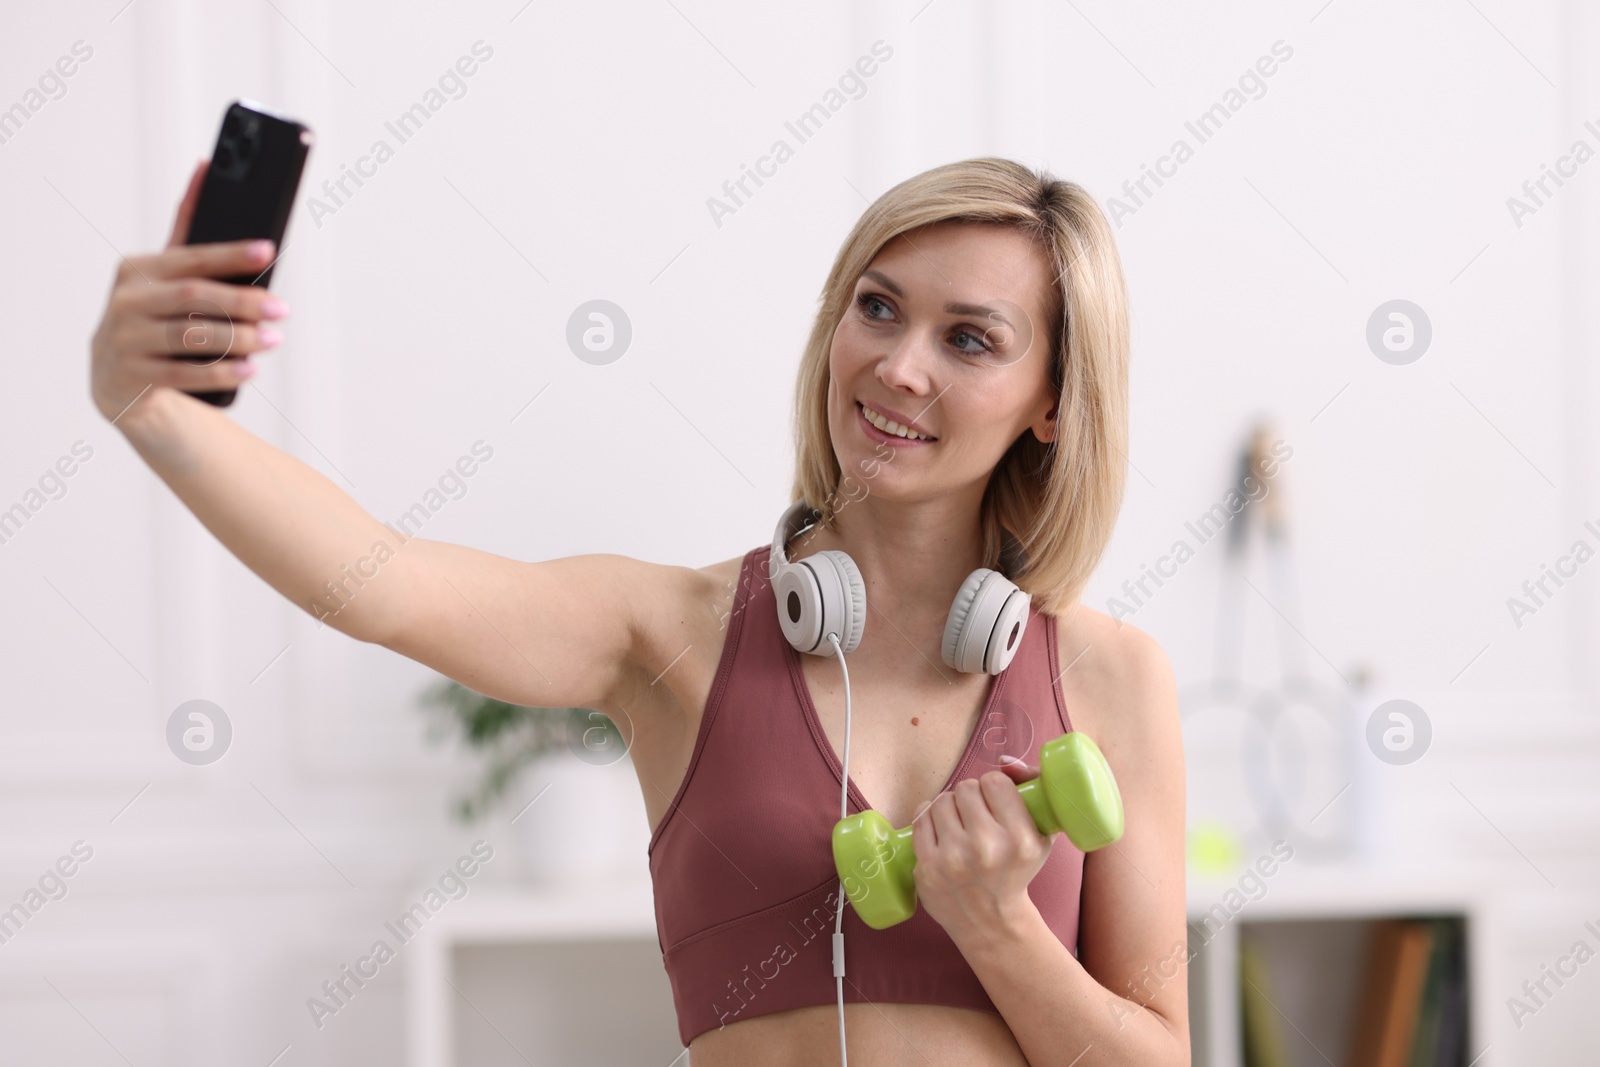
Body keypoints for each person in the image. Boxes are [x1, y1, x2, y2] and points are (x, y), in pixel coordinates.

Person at [89, 156, 1188, 1065]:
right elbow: (381, 584)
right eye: (878, 306)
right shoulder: (667, 631)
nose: (898, 366)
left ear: (1052, 399)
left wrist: (997, 923)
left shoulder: (1110, 675)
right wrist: (157, 413)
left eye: (969, 338)